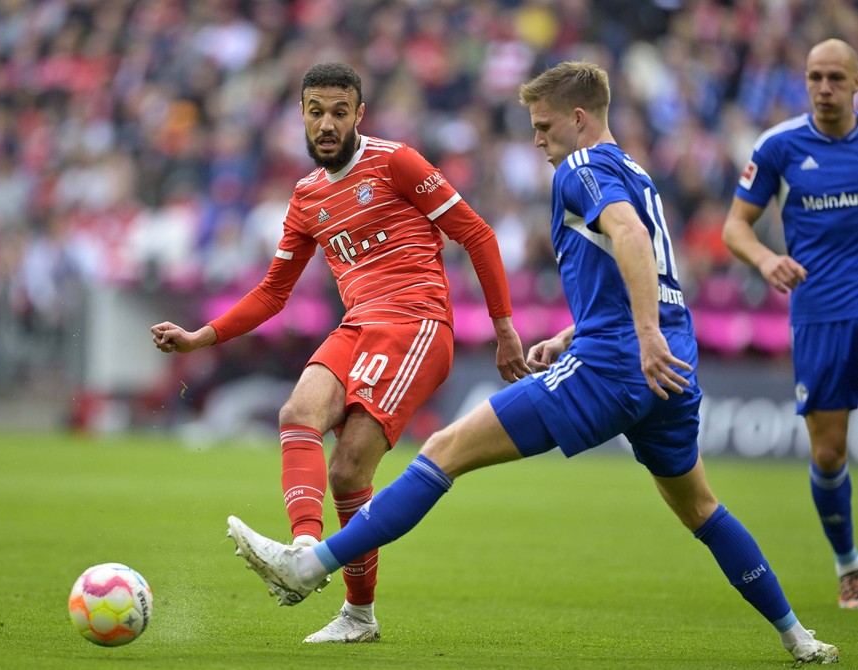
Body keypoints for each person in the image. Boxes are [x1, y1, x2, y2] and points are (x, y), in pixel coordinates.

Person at [225, 60, 840, 665]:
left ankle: (310, 565)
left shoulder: (582, 165)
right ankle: (798, 638)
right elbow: (640, 266)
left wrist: (636, 336)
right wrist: (578, 333)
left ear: (578, 119)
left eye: (543, 127)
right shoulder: (638, 172)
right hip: (672, 369)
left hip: (617, 367)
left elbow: (624, 234)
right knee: (702, 509)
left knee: (442, 451)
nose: (537, 141)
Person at [152, 62, 530, 643]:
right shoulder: (306, 196)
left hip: (415, 324)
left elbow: (476, 233)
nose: (326, 124)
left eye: (338, 112)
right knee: (297, 414)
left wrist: (504, 329)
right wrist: (204, 335)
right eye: (315, 112)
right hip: (357, 325)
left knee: (349, 466)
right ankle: (306, 551)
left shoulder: (397, 161)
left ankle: (354, 610)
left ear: (359, 114)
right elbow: (274, 292)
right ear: (301, 115)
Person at [722, 37, 858, 611]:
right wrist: (765, 258)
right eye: (814, 77)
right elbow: (735, 227)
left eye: (835, 78)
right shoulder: (779, 146)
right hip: (821, 315)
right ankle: (848, 566)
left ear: (855, 83)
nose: (824, 88)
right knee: (828, 454)